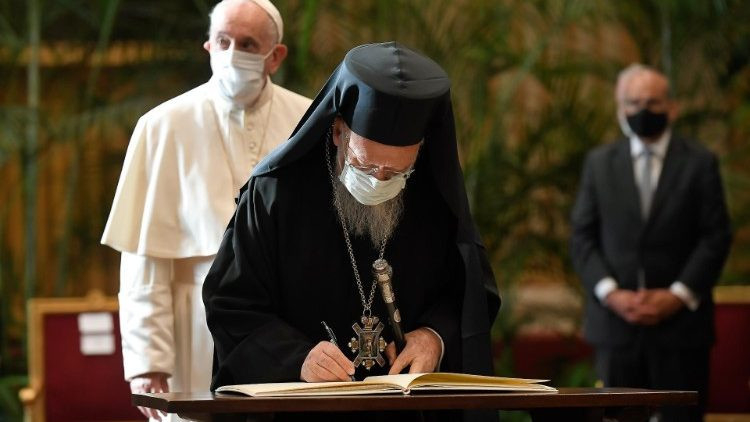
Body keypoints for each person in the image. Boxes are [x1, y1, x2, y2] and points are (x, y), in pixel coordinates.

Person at [203, 41, 500, 422]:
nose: (379, 181)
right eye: (365, 165)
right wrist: (297, 358)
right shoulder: (275, 193)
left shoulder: (436, 201)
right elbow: (231, 303)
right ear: (338, 131)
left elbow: (469, 293)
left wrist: (434, 336)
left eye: (396, 173)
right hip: (302, 412)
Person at [101, 0, 311, 420]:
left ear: (275, 56)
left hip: (287, 328)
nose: (233, 53)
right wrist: (147, 360)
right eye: (223, 41)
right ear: (208, 46)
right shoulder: (162, 125)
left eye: (247, 44)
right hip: (192, 328)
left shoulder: (308, 120)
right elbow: (144, 259)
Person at [570, 63, 732, 422]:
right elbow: (582, 237)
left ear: (672, 107)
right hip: (615, 328)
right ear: (620, 109)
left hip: (681, 330)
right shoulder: (599, 164)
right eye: (634, 102)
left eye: (653, 102)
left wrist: (677, 295)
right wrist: (612, 293)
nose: (643, 110)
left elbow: (716, 236)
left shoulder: (700, 162)